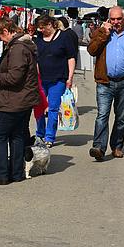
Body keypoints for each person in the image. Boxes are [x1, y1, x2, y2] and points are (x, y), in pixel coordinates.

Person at [0, 19, 40, 185]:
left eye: (1, 36)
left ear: (7, 31)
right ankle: (16, 173)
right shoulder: (23, 45)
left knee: (0, 135)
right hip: (23, 99)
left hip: (13, 100)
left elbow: (15, 77)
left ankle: (2, 174)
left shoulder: (17, 48)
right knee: (17, 136)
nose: (1, 40)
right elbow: (18, 71)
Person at [87, 6, 124, 161]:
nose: (116, 22)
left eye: (119, 19)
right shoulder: (102, 32)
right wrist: (103, 34)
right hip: (105, 82)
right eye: (112, 19)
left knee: (121, 117)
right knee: (102, 115)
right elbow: (91, 50)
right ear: (108, 19)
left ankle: (117, 146)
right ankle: (98, 147)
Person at [33, 14, 77, 148]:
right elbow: (35, 58)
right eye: (39, 28)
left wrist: (70, 77)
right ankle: (39, 133)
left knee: (53, 107)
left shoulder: (64, 37)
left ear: (50, 24)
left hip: (58, 78)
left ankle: (49, 136)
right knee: (39, 107)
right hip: (41, 79)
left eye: (42, 27)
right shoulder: (38, 39)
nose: (40, 30)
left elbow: (71, 58)